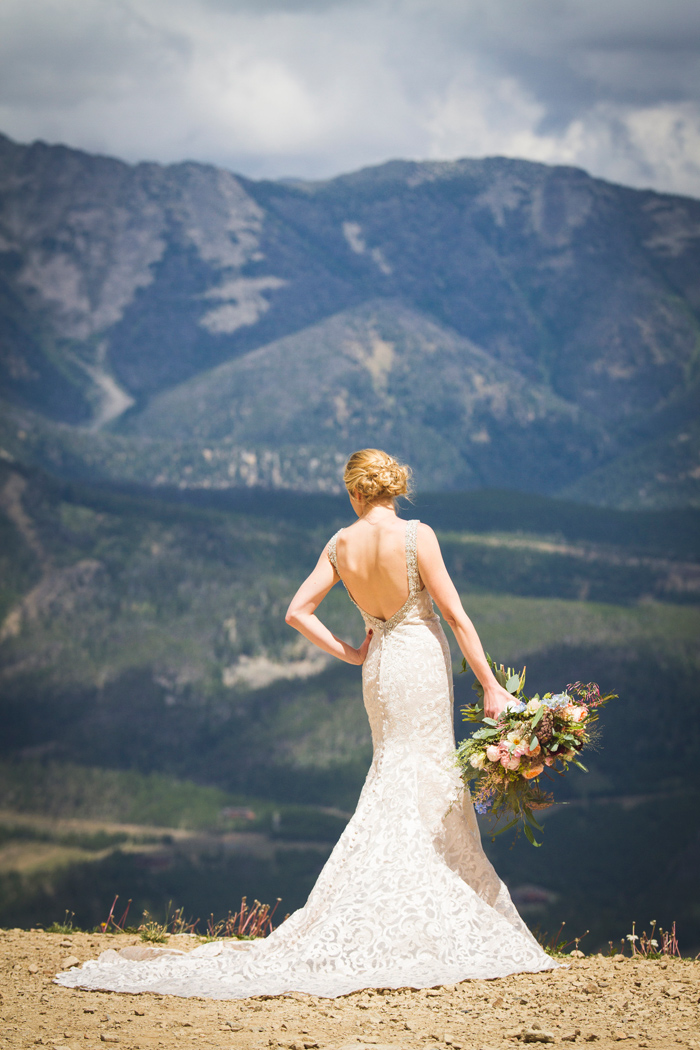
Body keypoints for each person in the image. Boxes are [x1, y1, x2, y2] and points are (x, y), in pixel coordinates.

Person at [56, 449, 556, 1000]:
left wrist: (348, 651)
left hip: (380, 666)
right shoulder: (418, 536)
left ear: (353, 493)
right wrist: (490, 684)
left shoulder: (339, 544)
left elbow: (297, 611)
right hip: (419, 658)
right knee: (429, 768)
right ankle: (428, 899)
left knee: (393, 768)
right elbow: (457, 616)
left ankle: (379, 904)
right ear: (396, 488)